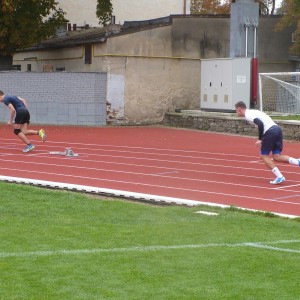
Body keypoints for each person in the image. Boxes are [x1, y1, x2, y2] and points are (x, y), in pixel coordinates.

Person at [235, 101, 299, 185]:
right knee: (277, 156)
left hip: (270, 132)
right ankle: (297, 162)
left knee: (264, 156)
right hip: (277, 129)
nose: (236, 112)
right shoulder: (253, 112)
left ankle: (280, 176)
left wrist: (260, 139)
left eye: (236, 110)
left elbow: (260, 124)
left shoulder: (248, 114)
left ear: (240, 109)